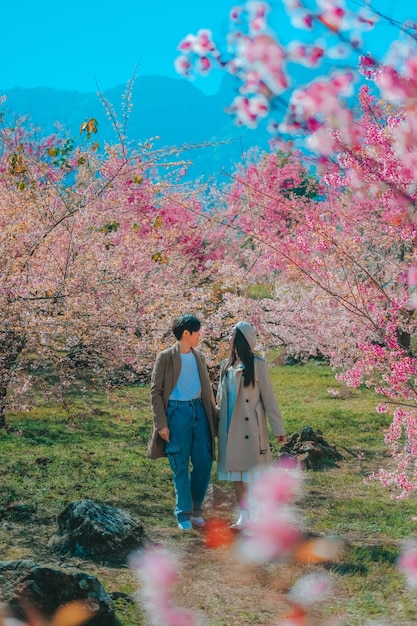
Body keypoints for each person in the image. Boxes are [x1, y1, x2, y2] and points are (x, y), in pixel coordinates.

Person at [147, 314, 218, 531]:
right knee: (179, 465)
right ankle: (183, 513)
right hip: (176, 413)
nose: (199, 336)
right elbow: (156, 391)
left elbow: (208, 391)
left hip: (199, 410)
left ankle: (196, 508)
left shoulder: (200, 357)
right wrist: (161, 423)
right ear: (186, 334)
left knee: (204, 461)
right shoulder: (165, 357)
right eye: (196, 332)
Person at [217, 321, 286, 529]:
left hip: (251, 429)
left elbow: (269, 398)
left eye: (231, 334)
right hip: (230, 428)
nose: (228, 338)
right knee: (238, 477)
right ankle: (245, 517)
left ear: (241, 338)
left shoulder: (258, 364)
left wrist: (278, 429)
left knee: (255, 477)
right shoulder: (225, 366)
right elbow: (220, 400)